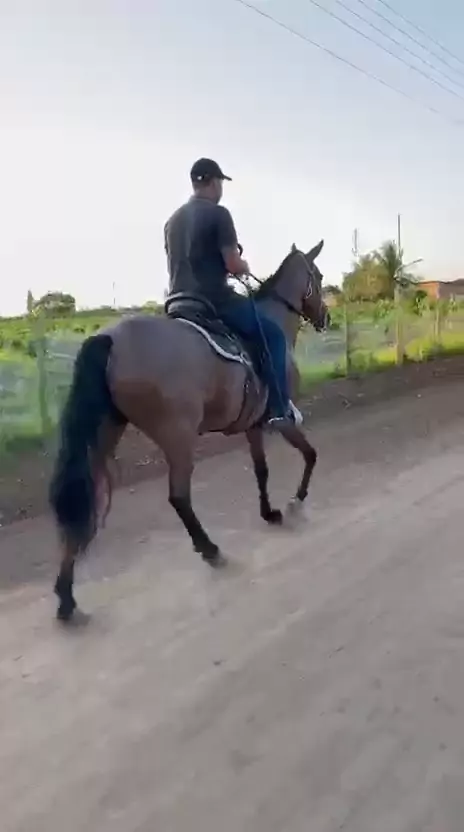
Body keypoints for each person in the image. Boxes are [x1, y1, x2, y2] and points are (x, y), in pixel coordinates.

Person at [164, 157, 302, 427]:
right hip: (214, 301)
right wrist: (243, 266)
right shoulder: (219, 214)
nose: (221, 189)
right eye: (220, 183)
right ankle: (279, 408)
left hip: (177, 303)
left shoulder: (172, 222)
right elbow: (232, 264)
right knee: (274, 336)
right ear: (214, 183)